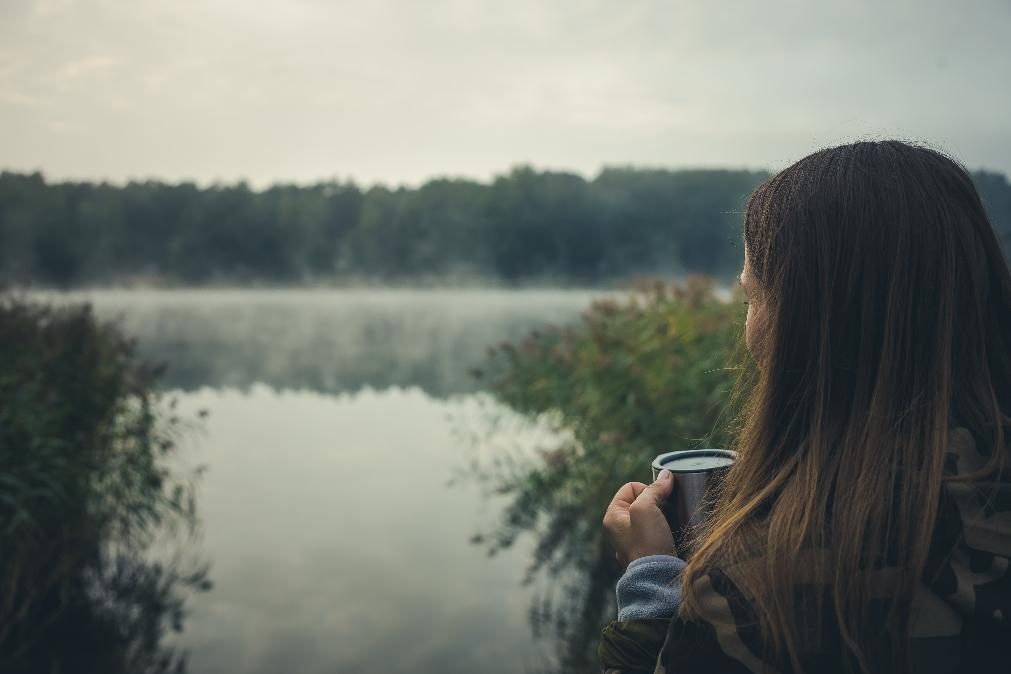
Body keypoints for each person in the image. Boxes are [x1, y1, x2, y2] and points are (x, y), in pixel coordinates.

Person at [598, 140, 1011, 674]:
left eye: (752, 298)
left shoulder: (756, 593)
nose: (747, 324)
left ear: (806, 329)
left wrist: (652, 586)